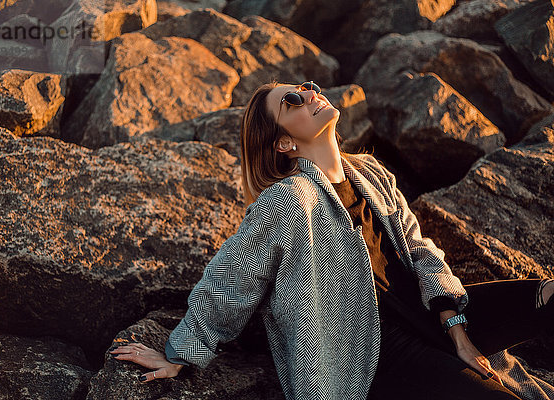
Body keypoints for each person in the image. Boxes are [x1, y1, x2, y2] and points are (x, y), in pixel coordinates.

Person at [109, 81, 554, 399]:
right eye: (291, 102)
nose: (308, 93)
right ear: (284, 144)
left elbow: (420, 249)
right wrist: (179, 353)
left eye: (305, 86)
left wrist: (454, 325)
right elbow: (231, 279)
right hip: (370, 355)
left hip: (433, 313)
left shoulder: (370, 173)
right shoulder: (288, 201)